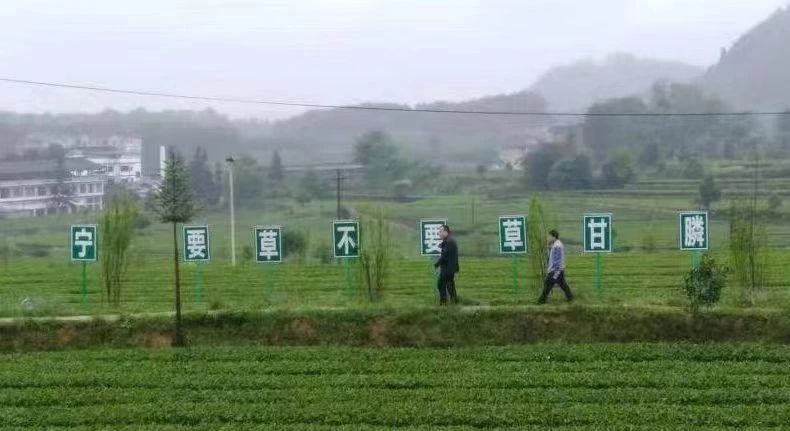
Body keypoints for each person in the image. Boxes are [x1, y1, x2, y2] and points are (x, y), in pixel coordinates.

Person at [538, 229, 573, 304]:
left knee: (548, 284)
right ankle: (570, 298)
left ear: (553, 237)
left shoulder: (557, 246)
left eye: (549, 236)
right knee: (563, 285)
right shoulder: (556, 244)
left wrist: (555, 272)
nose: (548, 238)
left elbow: (557, 260)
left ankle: (541, 301)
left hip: (555, 271)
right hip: (558, 270)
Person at [434, 224, 459, 305]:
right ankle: (454, 302)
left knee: (441, 284)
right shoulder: (450, 240)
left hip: (447, 268)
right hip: (451, 268)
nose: (439, 233)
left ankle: (444, 302)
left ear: (445, 232)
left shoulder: (448, 242)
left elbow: (445, 256)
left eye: (440, 231)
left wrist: (437, 264)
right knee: (450, 285)